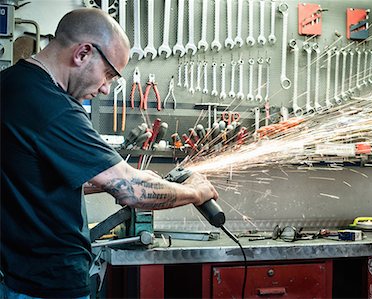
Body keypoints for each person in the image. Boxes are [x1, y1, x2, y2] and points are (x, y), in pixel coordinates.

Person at [0, 8, 218, 299]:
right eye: (108, 74)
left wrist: (113, 178)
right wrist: (195, 192)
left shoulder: (11, 84)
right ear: (83, 53)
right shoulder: (55, 108)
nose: (105, 89)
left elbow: (31, 179)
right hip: (46, 286)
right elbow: (133, 193)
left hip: (16, 277)